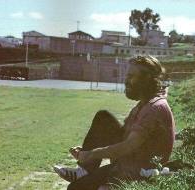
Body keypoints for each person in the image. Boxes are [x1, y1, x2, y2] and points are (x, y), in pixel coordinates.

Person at [54, 55, 175, 190]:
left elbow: (128, 146)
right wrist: (88, 151)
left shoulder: (154, 108)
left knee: (77, 188)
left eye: (131, 76)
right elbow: (122, 137)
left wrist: (91, 154)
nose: (126, 81)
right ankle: (84, 170)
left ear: (146, 79)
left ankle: (87, 172)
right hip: (128, 164)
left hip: (141, 173)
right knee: (103, 118)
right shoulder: (144, 104)